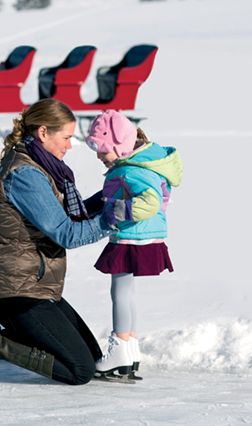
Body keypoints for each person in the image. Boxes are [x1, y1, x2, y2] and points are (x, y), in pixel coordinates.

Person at [0, 99, 118, 386]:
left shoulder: (42, 166)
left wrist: (109, 196)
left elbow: (67, 214)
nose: (69, 146)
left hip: (38, 287)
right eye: (66, 137)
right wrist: (114, 219)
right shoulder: (26, 174)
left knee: (91, 357)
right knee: (80, 370)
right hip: (16, 294)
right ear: (43, 133)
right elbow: (67, 232)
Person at [86, 110, 182, 380]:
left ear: (118, 146)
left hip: (132, 237)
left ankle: (119, 350)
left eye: (102, 150)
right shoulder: (138, 165)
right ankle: (130, 350)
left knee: (119, 294)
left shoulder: (131, 170)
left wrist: (116, 210)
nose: (98, 156)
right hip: (140, 236)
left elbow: (150, 202)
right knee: (126, 294)